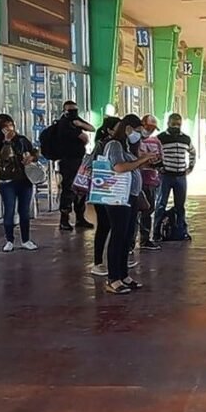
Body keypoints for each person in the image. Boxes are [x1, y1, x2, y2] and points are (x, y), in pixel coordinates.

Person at [102, 114, 155, 294]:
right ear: (128, 129)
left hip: (130, 197)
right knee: (118, 236)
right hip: (118, 197)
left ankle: (124, 275)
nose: (139, 135)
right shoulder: (114, 145)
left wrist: (144, 159)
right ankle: (113, 278)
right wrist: (140, 160)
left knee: (126, 237)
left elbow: (131, 165)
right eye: (137, 130)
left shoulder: (126, 146)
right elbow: (118, 167)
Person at [0, 114, 39, 252]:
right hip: (7, 182)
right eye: (5, 126)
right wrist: (7, 142)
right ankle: (9, 240)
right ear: (0, 129)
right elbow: (2, 157)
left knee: (24, 211)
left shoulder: (22, 140)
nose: (9, 128)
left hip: (25, 180)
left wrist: (32, 157)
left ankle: (25, 239)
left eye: (10, 125)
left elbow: (35, 152)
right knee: (9, 211)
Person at [53, 101, 95, 231]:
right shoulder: (64, 124)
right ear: (64, 111)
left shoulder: (75, 121)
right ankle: (64, 219)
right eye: (70, 110)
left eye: (75, 110)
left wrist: (80, 124)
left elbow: (91, 128)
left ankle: (80, 217)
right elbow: (84, 138)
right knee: (68, 189)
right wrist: (80, 131)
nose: (73, 113)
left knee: (80, 188)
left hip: (78, 160)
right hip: (68, 161)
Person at [154, 113, 196, 241]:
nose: (176, 127)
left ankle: (181, 231)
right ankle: (156, 233)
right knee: (161, 204)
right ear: (168, 124)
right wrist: (159, 167)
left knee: (180, 206)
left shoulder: (186, 139)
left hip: (181, 177)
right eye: (174, 124)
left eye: (178, 125)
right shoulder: (160, 138)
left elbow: (192, 152)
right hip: (165, 176)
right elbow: (154, 154)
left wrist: (190, 167)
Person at [90, 116, 120, 277]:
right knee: (104, 225)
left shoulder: (121, 144)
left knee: (113, 225)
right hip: (103, 190)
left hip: (115, 190)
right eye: (119, 127)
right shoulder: (103, 145)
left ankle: (111, 260)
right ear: (109, 130)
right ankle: (98, 262)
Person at [136, 114, 163, 250]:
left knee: (149, 209)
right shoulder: (135, 140)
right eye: (149, 127)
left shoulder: (155, 141)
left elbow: (160, 157)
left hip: (152, 179)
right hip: (138, 179)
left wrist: (155, 162)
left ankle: (145, 239)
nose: (151, 130)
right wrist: (145, 161)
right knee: (135, 211)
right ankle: (129, 242)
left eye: (153, 128)